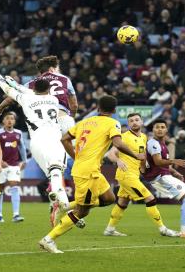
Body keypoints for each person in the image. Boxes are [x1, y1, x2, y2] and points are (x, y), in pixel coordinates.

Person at [39, 95, 145, 253]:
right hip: (87, 172)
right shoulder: (113, 123)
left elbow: (65, 139)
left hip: (92, 170)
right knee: (83, 211)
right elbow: (117, 143)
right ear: (114, 110)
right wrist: (135, 155)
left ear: (98, 108)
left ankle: (65, 206)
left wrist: (77, 157)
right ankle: (48, 239)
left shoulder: (85, 122)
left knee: (109, 198)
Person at [0, 74, 70, 226]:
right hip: (54, 139)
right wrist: (15, 83)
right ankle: (61, 202)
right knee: (56, 172)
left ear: (34, 88)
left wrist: (1, 80)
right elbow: (28, 91)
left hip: (37, 141)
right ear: (48, 89)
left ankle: (59, 202)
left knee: (52, 173)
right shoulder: (54, 99)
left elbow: (10, 91)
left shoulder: (27, 98)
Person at [104, 113, 179, 237]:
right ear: (128, 124)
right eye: (131, 121)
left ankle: (110, 229)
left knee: (123, 202)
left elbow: (143, 155)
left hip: (134, 174)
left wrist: (144, 168)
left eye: (137, 120)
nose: (134, 122)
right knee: (150, 198)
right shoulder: (124, 137)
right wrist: (118, 160)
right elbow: (111, 154)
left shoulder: (144, 137)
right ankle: (163, 229)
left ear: (142, 122)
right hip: (126, 175)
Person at [144, 119, 185, 237]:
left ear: (166, 130)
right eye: (157, 127)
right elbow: (158, 162)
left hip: (165, 175)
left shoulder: (162, 144)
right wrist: (175, 161)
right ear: (153, 130)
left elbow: (162, 163)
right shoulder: (153, 143)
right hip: (160, 178)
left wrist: (174, 172)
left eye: (162, 127)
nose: (160, 129)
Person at [0, 55, 78, 135]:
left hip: (45, 123)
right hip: (63, 118)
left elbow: (11, 98)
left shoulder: (33, 83)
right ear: (52, 69)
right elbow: (74, 105)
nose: (58, 71)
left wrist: (0, 108)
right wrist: (71, 117)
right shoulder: (65, 79)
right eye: (57, 68)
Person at [0, 112, 27, 223]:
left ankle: (16, 214)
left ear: (14, 121)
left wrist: (24, 161)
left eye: (12, 119)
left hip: (14, 164)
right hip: (1, 165)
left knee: (14, 186)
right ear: (3, 121)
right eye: (7, 118)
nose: (9, 120)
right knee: (0, 189)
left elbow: (22, 147)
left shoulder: (18, 133)